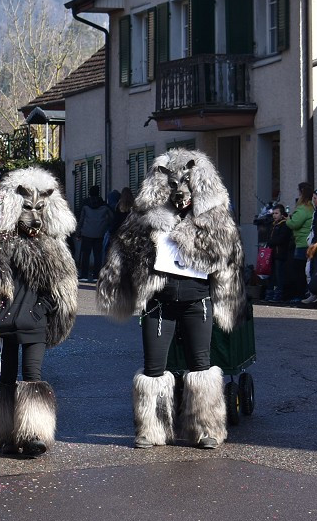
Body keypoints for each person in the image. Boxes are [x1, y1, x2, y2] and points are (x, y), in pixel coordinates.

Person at [97, 149, 244, 451]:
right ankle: (150, 430)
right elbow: (123, 249)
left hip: (197, 300)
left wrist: (190, 236)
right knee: (153, 367)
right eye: (175, 186)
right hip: (159, 303)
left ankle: (206, 430)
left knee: (200, 365)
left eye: (187, 187)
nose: (182, 194)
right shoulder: (146, 218)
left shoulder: (215, 218)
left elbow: (229, 257)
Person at [0, 167, 78, 459]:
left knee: (33, 376)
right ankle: (6, 432)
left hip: (33, 324)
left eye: (37, 208)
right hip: (6, 324)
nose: (32, 216)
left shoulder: (50, 246)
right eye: (26, 207)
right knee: (6, 377)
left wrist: (43, 312)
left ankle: (34, 434)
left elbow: (55, 287)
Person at [77, 186, 113, 283]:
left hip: (87, 233)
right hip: (100, 233)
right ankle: (97, 275)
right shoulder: (104, 205)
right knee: (98, 255)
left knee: (85, 255)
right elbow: (111, 218)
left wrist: (78, 233)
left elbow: (81, 220)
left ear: (89, 193)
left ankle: (84, 274)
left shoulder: (85, 205)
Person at [286, 183, 314, 302]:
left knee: (299, 271)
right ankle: (307, 293)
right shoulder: (312, 207)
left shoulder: (303, 209)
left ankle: (299, 295)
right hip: (308, 242)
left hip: (302, 243)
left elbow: (294, 224)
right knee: (306, 270)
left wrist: (288, 219)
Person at [265, 204, 293, 302]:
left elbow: (281, 239)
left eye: (276, 213)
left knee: (279, 274)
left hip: (280, 253)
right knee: (272, 274)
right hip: (272, 254)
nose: (274, 215)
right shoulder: (273, 225)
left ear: (282, 214)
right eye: (273, 213)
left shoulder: (284, 225)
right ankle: (270, 293)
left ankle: (278, 294)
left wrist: (271, 241)